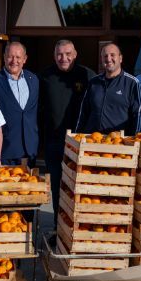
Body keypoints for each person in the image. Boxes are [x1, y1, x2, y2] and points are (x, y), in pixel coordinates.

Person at [39, 40, 95, 223]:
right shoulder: (45, 76)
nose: (64, 58)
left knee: (78, 188)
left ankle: (76, 230)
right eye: (59, 54)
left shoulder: (87, 76)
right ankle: (58, 228)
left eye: (67, 53)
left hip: (79, 144)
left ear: (75, 54)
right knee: (57, 187)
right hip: (54, 143)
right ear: (54, 56)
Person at [0, 42, 39, 167]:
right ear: (4, 57)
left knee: (29, 186)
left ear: (25, 59)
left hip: (30, 150)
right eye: (10, 56)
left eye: (18, 57)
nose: (14, 61)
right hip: (5, 149)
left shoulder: (33, 79)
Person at [76, 43, 141, 135]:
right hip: (91, 140)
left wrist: (135, 140)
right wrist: (77, 136)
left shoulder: (132, 83)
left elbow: (138, 114)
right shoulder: (94, 82)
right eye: (105, 56)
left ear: (120, 58)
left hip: (117, 143)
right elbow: (83, 112)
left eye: (112, 55)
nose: (108, 59)